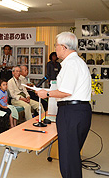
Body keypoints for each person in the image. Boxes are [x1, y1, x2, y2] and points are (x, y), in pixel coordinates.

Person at [37, 32, 92, 178]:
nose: (55, 49)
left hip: (71, 112)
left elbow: (66, 92)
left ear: (64, 47)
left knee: (68, 157)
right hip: (80, 111)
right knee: (72, 155)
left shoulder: (71, 64)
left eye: (56, 45)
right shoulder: (78, 62)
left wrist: (46, 94)